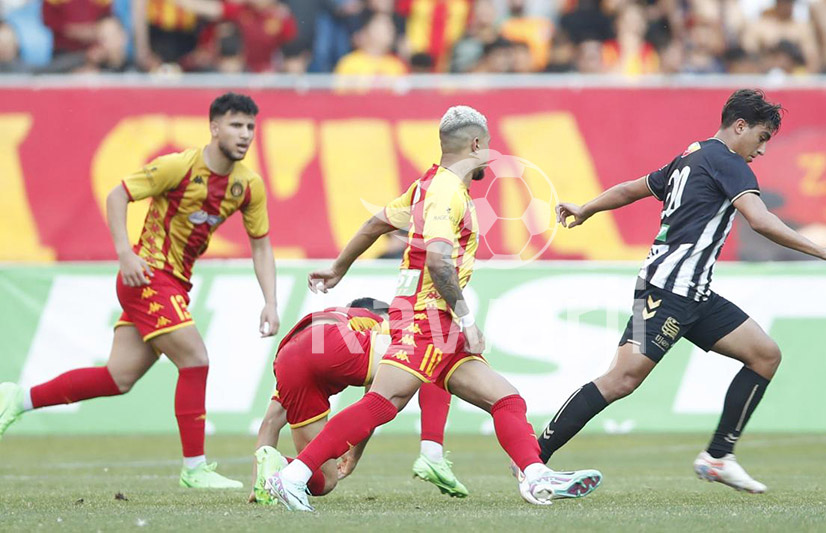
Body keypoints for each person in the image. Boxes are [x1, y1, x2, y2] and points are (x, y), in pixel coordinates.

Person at [265, 105, 602, 512]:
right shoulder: (444, 192)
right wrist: (467, 320)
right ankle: (292, 476)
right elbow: (438, 261)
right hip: (425, 319)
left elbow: (376, 223)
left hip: (436, 321)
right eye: (488, 147)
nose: (489, 156)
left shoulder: (427, 186)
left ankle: (534, 476)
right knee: (382, 404)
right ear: (476, 145)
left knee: (506, 398)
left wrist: (339, 267)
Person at [536, 89, 826, 493]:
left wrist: (587, 208)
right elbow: (759, 220)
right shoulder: (731, 164)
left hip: (695, 293)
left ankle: (719, 457)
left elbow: (632, 189)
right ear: (740, 127)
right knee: (621, 380)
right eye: (761, 138)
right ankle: (532, 459)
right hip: (667, 290)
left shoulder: (692, 155)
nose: (761, 150)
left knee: (764, 355)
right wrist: (821, 250)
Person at [0, 93, 279, 489]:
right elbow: (118, 194)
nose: (245, 134)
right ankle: (194, 469)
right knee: (196, 359)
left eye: (250, 127)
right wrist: (125, 255)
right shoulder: (178, 166)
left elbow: (261, 244)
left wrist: (270, 300)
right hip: (147, 276)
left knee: (117, 378)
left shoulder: (247, 186)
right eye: (236, 125)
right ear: (214, 127)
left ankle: (18, 398)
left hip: (175, 284)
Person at [250, 297, 468, 503]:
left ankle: (276, 466)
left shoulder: (339, 317)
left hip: (289, 356)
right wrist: (354, 455)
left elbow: (270, 423)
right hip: (332, 339)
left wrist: (255, 487)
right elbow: (376, 398)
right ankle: (432, 451)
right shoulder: (377, 320)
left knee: (325, 480)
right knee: (432, 356)